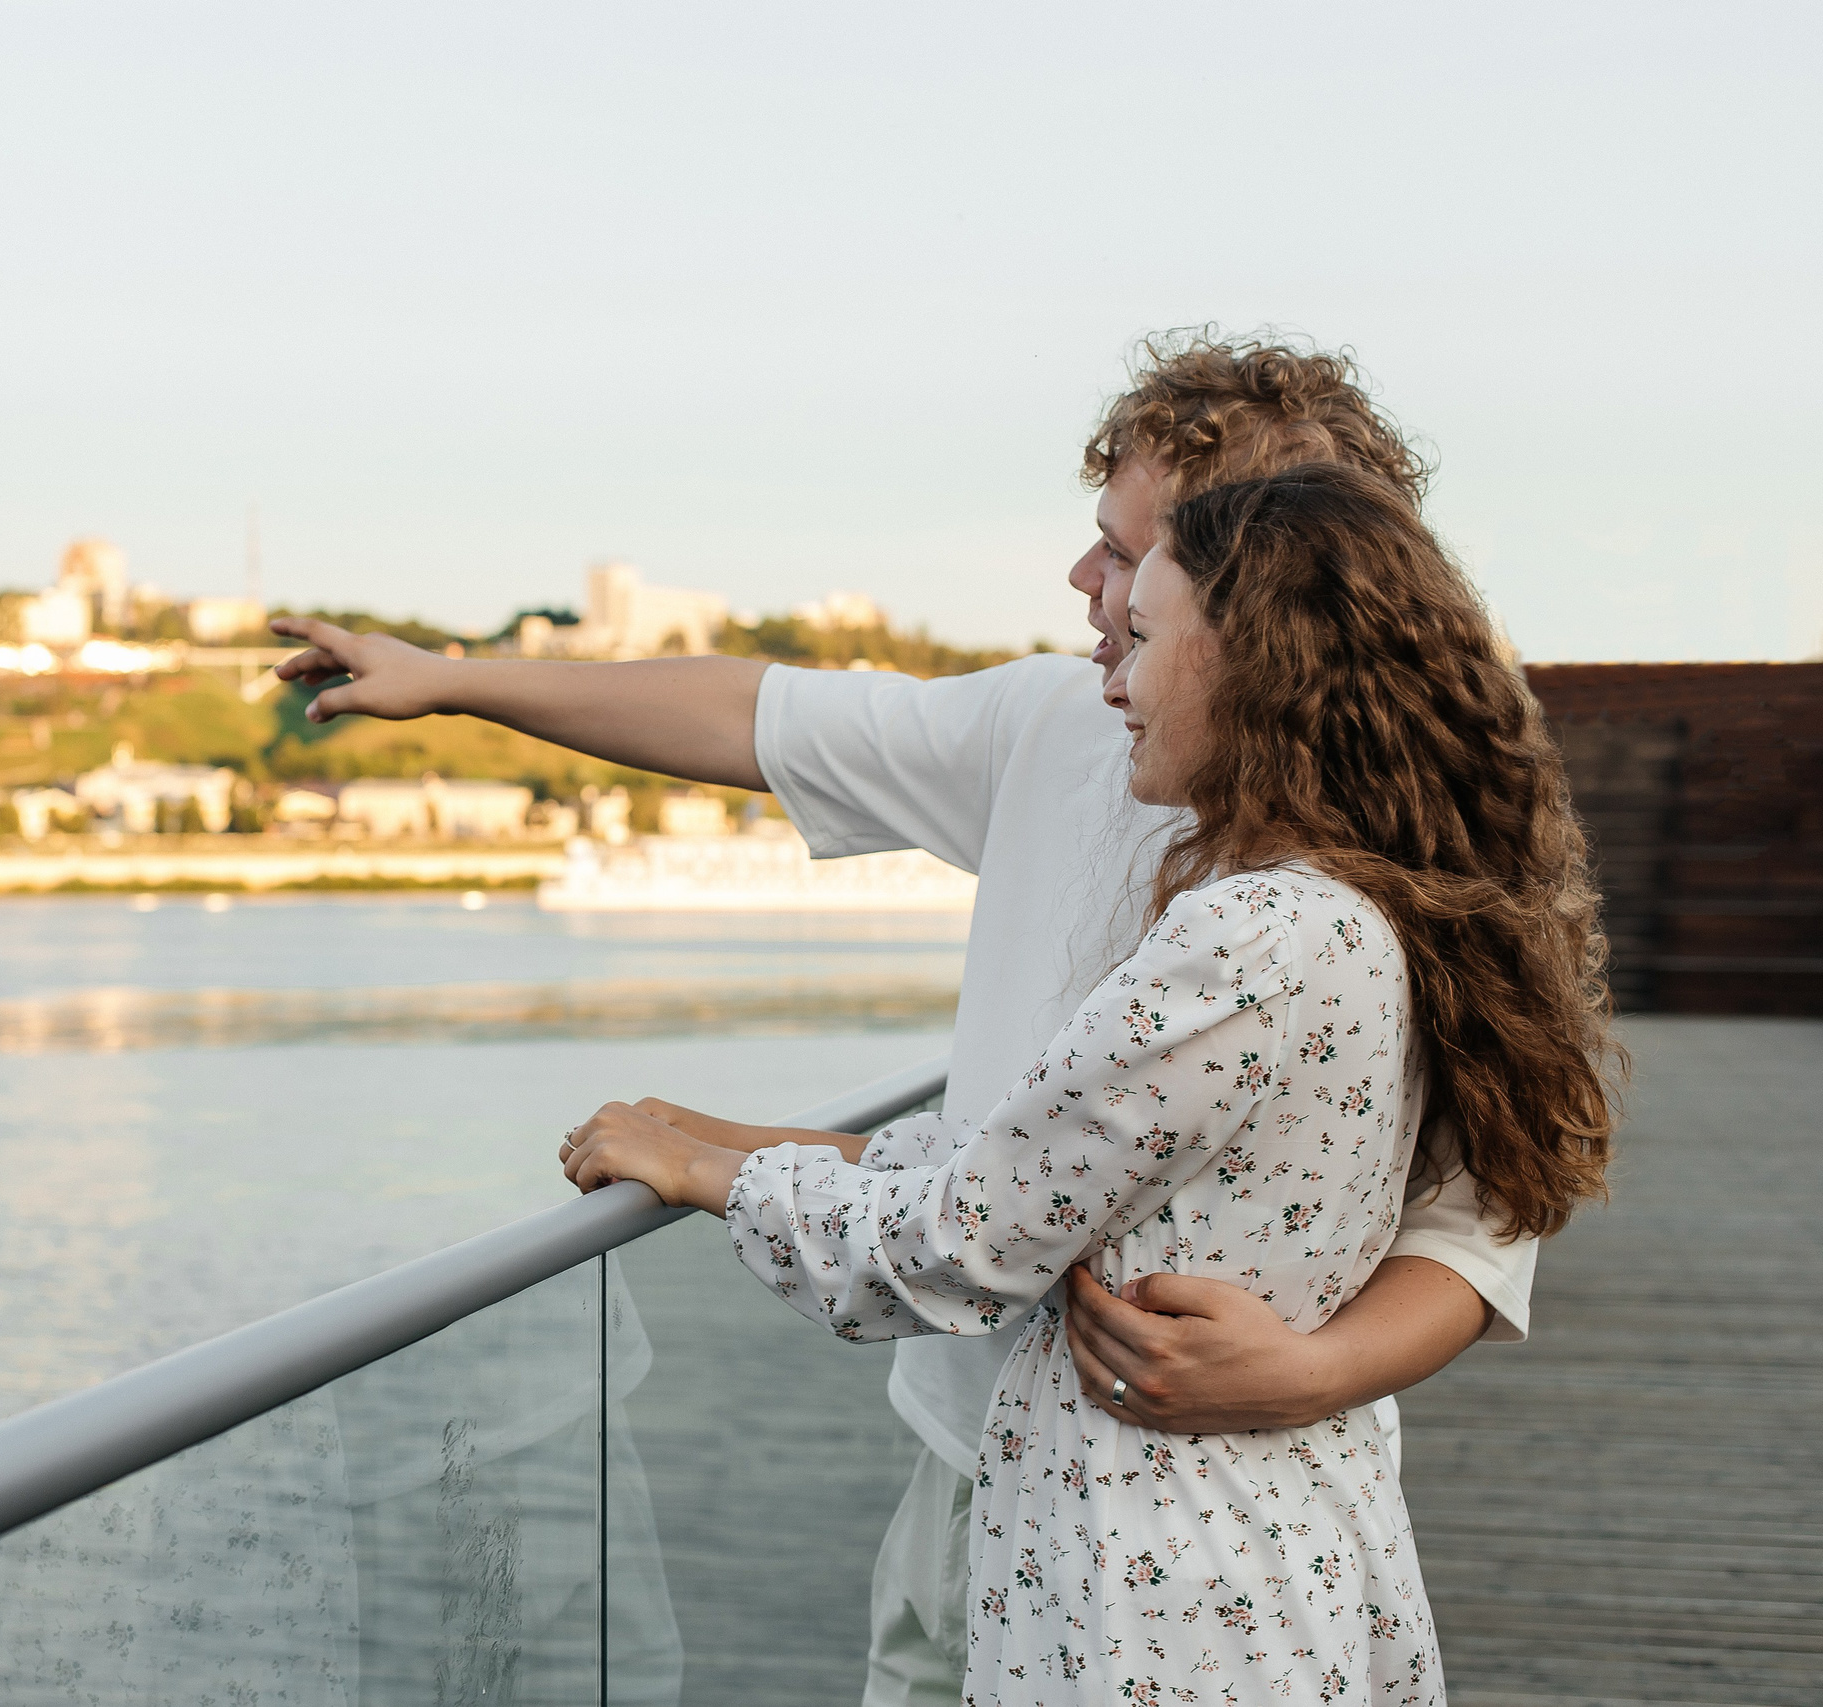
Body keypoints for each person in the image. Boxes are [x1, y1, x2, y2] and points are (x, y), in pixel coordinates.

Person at [272, 335, 1538, 1700]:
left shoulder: (1270, 919)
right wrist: (455, 680)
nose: (1087, 584)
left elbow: (983, 1237)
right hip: (1047, 1481)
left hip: (1161, 1543)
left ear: (1257, 603)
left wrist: (1308, 1372)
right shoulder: (1185, 789)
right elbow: (762, 719)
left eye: (1130, 559)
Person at [561, 462, 1620, 1702]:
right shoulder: (1368, 911)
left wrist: (710, 1177)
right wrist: (733, 1140)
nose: (1112, 682)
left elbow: (957, 1245)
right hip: (1283, 1535)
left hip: (1156, 1583)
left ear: (1253, 668)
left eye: (1145, 641)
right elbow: (1054, 1171)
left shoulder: (1245, 941)